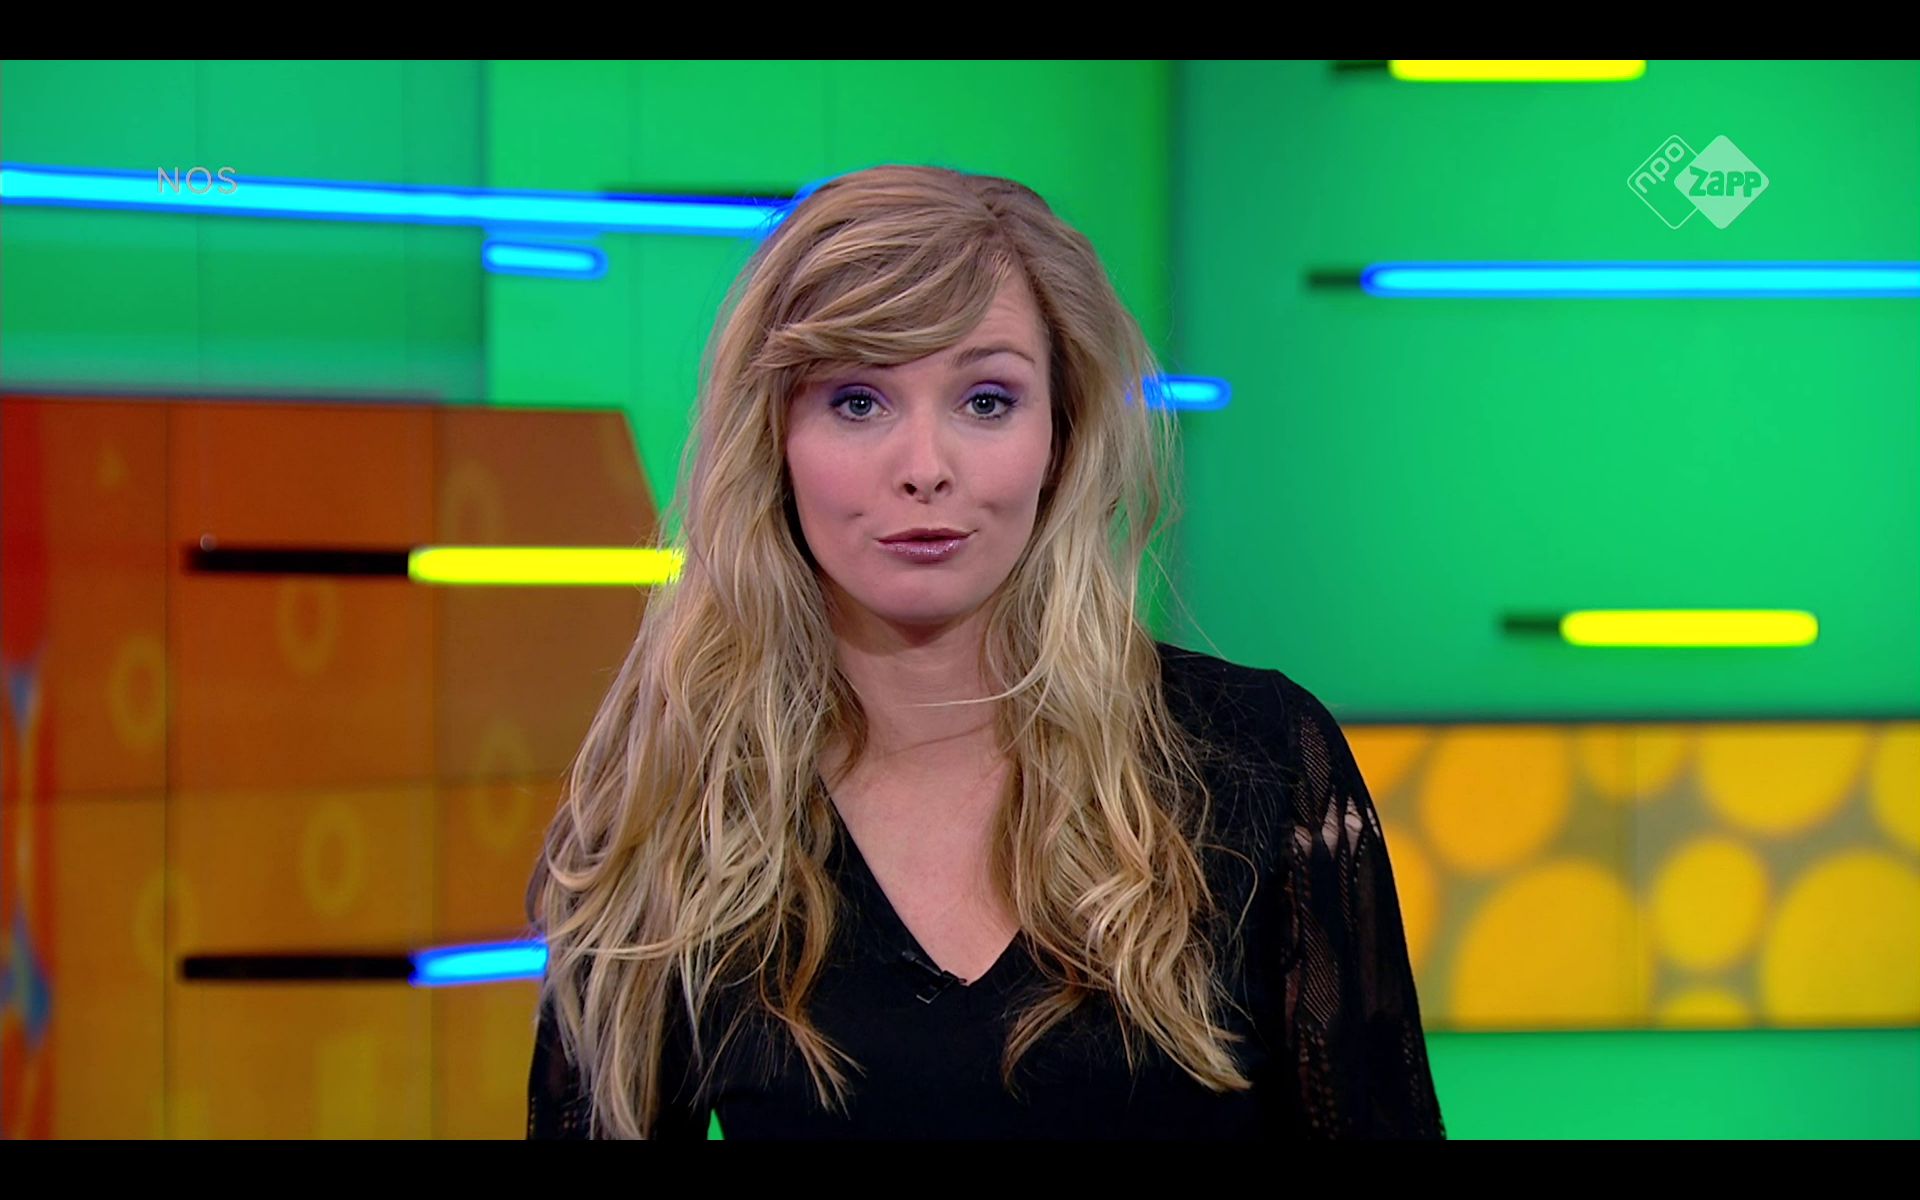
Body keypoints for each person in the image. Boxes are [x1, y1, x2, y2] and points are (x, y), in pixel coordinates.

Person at [523, 164, 1445, 1140]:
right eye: (857, 401)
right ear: (774, 439)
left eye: (988, 400)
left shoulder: (1261, 761)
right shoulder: (676, 803)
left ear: (1062, 434)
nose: (925, 469)